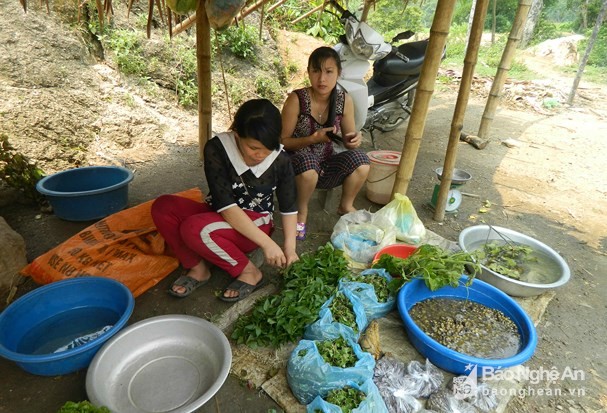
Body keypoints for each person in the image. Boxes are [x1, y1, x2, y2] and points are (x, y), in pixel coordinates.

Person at [151, 99, 299, 301]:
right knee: (163, 207)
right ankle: (198, 268)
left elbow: (289, 206)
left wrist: (289, 249)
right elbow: (226, 206)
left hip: (256, 223)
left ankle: (250, 272)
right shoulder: (217, 148)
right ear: (237, 134)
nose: (260, 155)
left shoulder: (279, 158)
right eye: (254, 147)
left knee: (195, 229)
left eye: (267, 148)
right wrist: (269, 245)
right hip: (219, 211)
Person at [280, 46, 370, 241]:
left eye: (329, 72)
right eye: (316, 71)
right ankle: (301, 212)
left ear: (339, 73)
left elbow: (348, 139)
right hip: (296, 164)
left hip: (326, 163)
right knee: (308, 165)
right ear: (308, 72)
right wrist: (312, 139)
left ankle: (345, 205)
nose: (322, 79)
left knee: (362, 161)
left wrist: (354, 140)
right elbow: (283, 142)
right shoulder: (296, 100)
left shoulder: (344, 100)